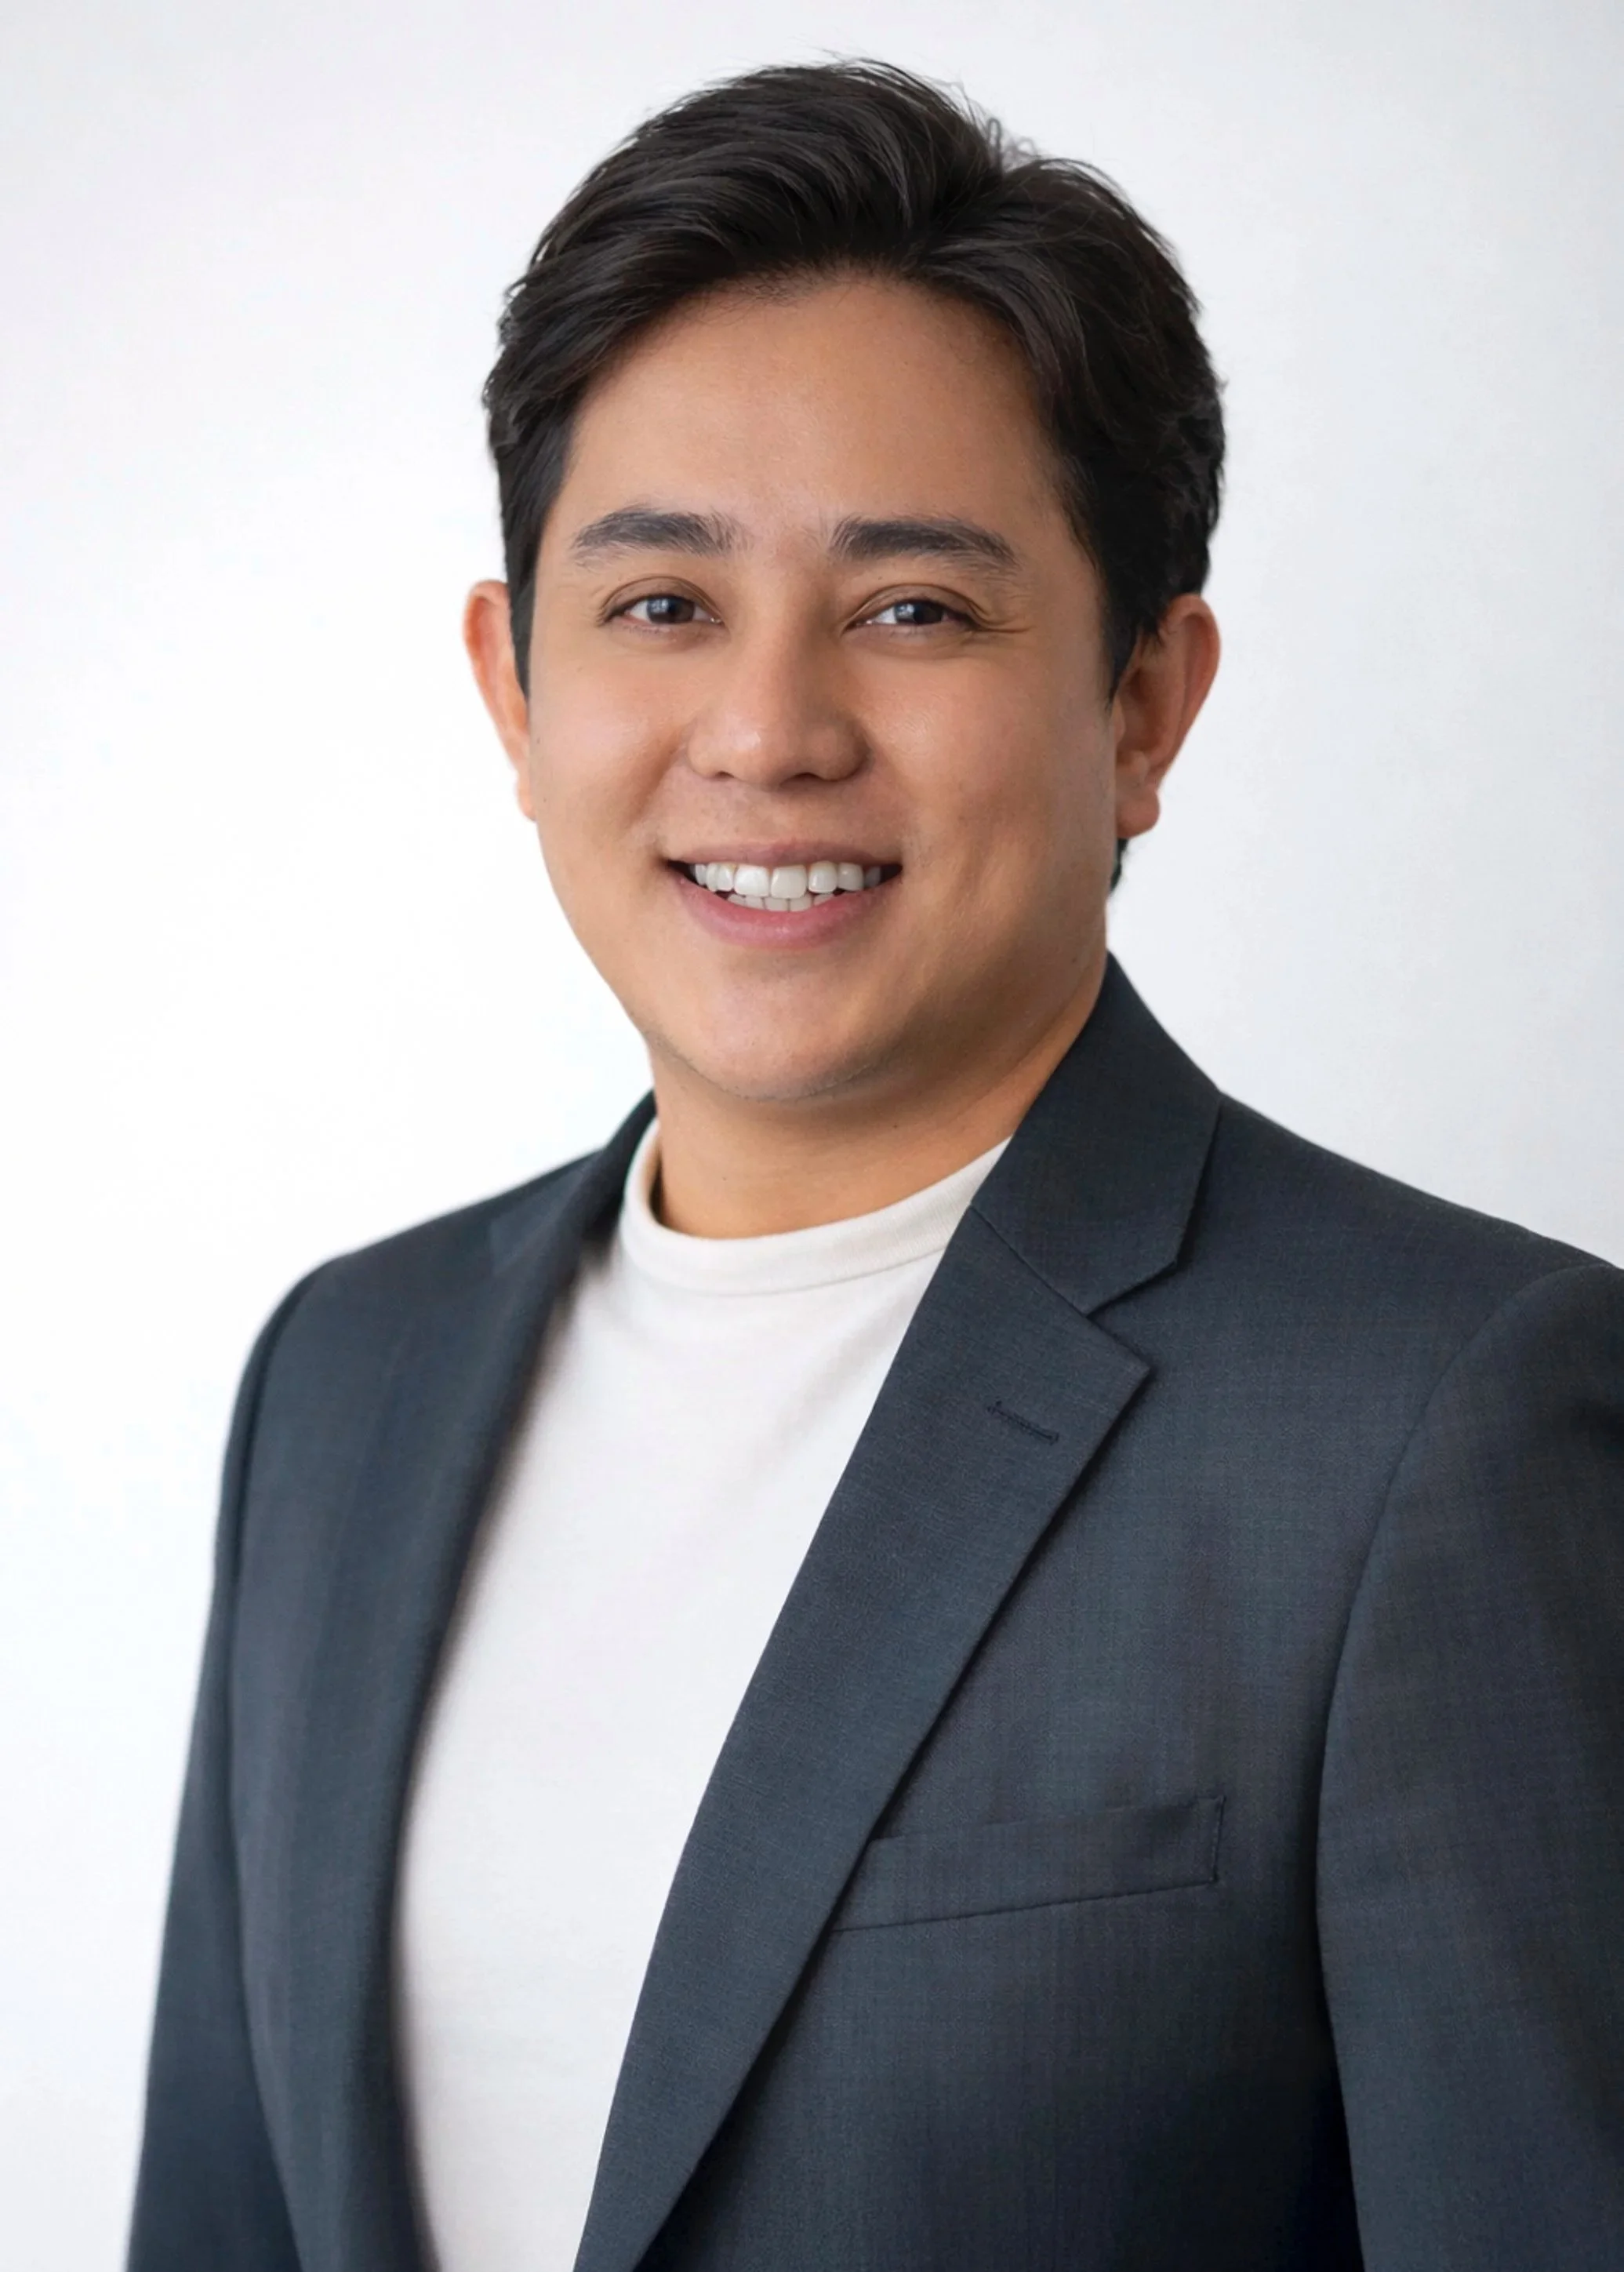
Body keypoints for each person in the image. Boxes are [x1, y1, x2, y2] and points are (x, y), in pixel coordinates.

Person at [128, 59, 1624, 2272]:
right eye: (658, 607)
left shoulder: (1440, 1416)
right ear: (510, 691)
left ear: (1141, 705)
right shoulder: (344, 1379)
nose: (767, 731)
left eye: (912, 607)